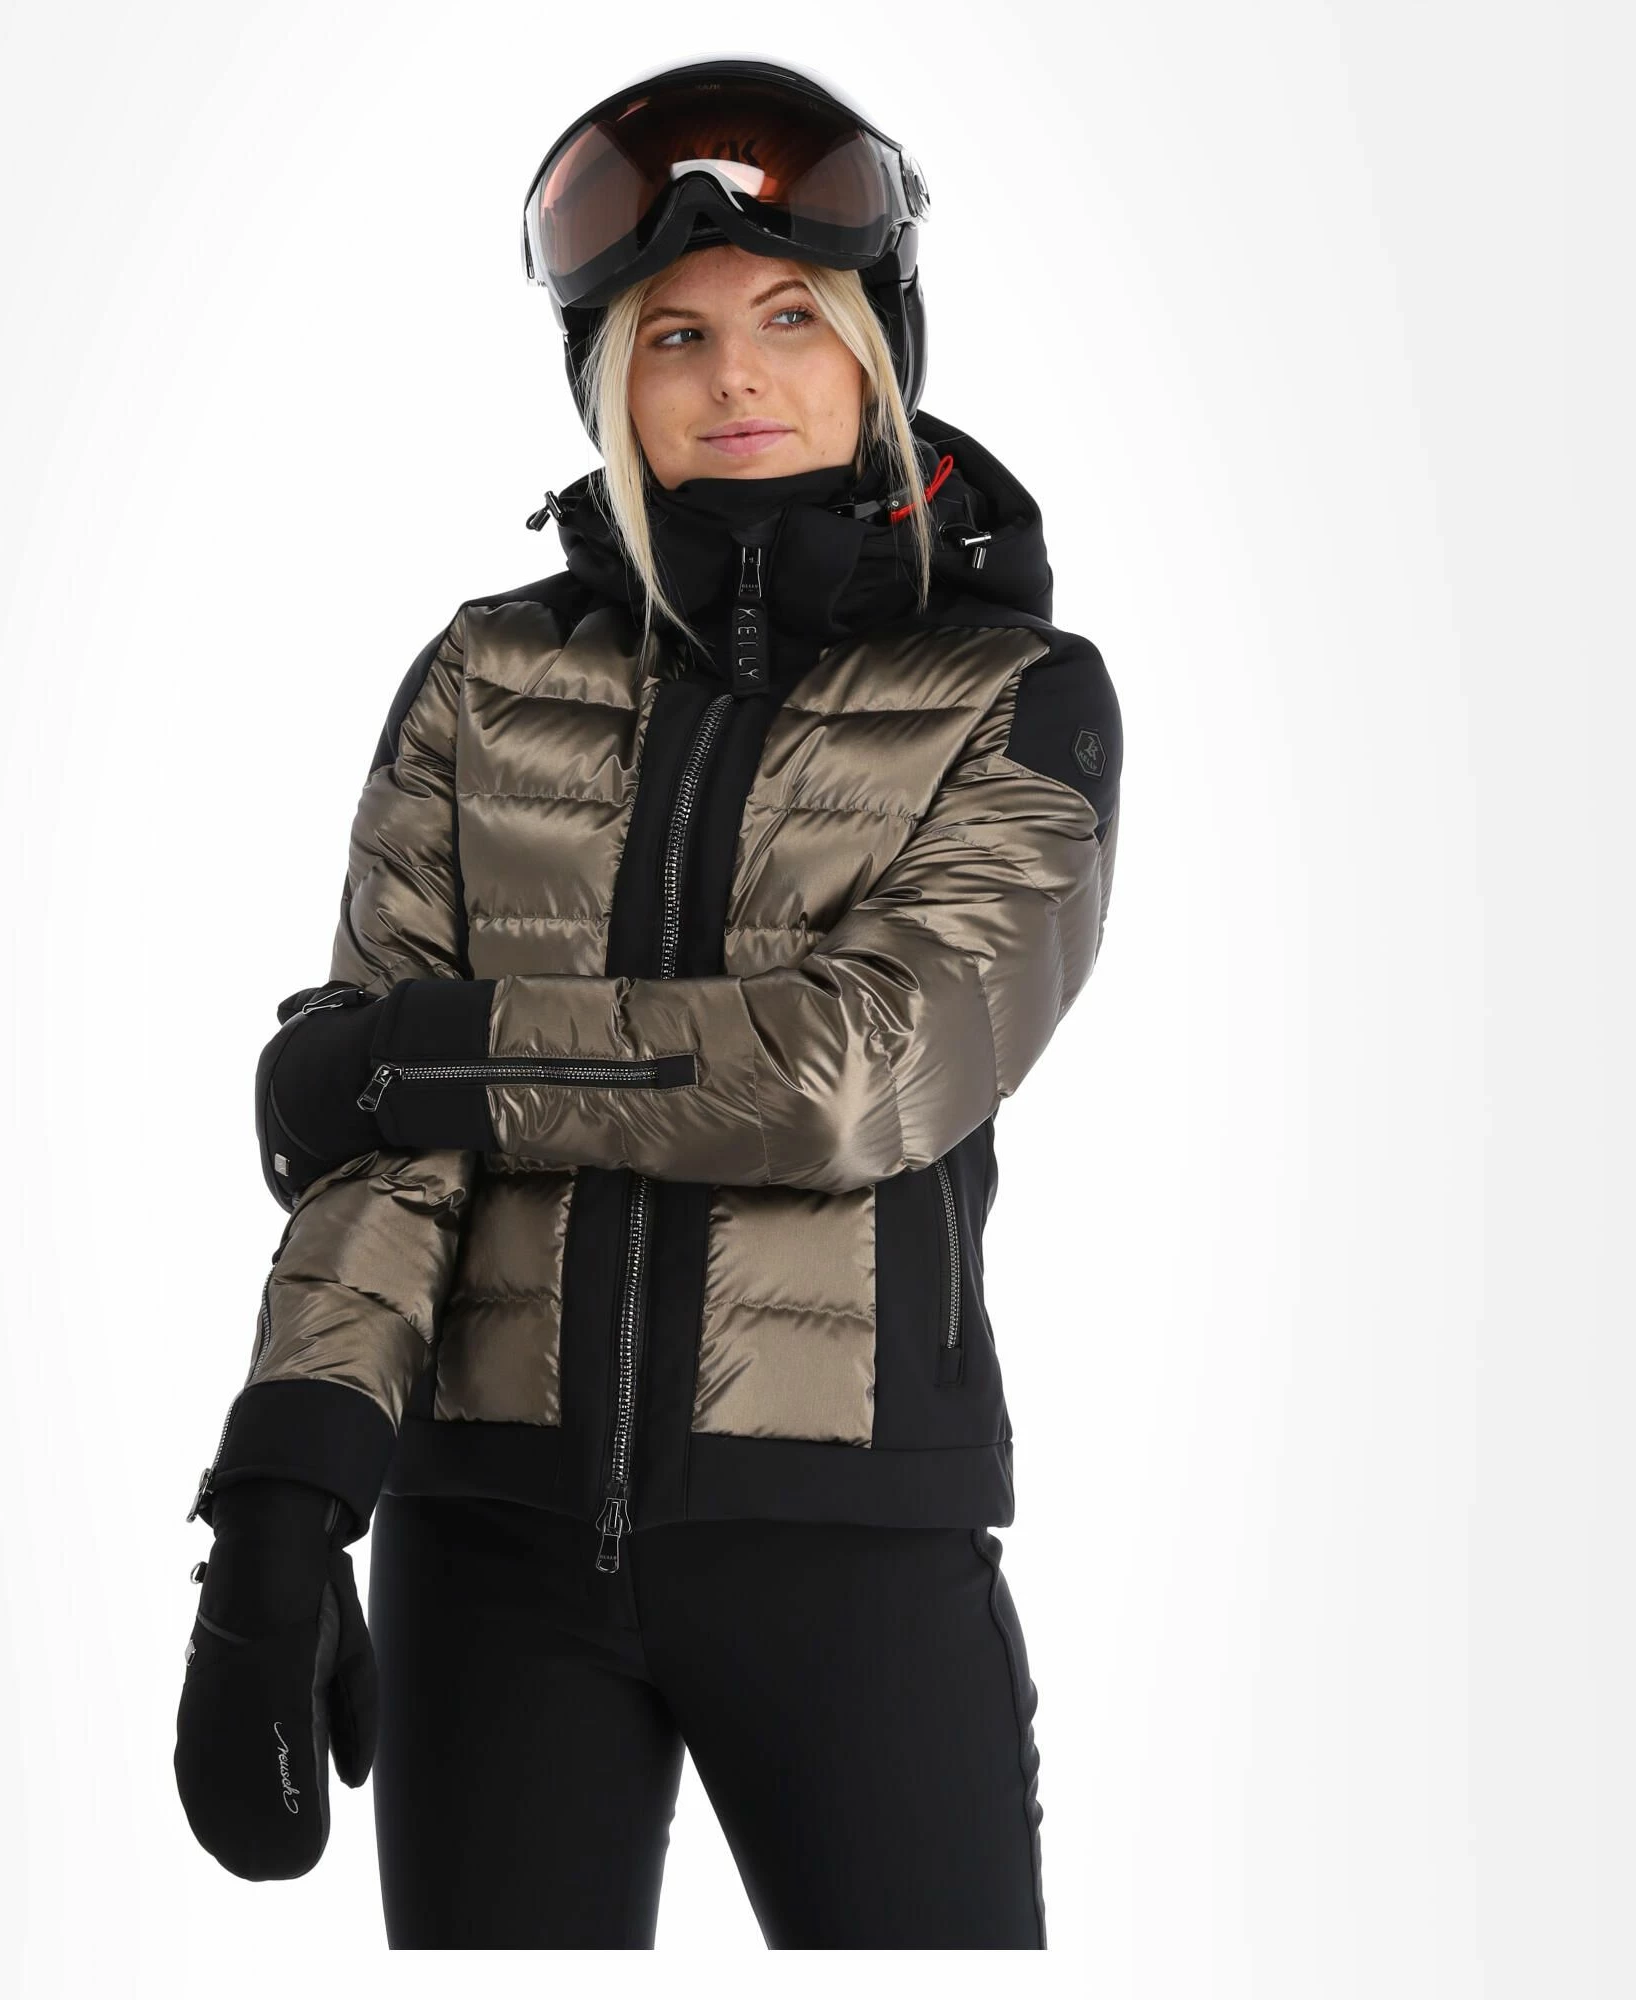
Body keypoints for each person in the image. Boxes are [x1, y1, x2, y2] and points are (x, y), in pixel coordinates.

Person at [173, 54, 1123, 1949]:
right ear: (608, 382)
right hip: (486, 1544)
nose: (735, 376)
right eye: (674, 336)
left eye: (792, 318)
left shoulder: (1015, 699)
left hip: (848, 1548)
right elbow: (381, 1159)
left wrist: (432, 1060)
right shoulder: (482, 682)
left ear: (878, 348)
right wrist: (284, 1496)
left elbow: (854, 1074)